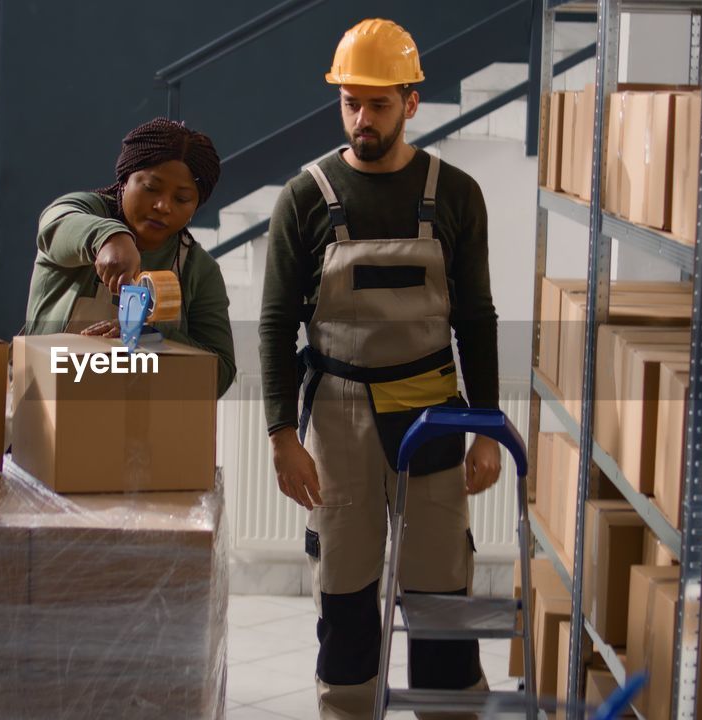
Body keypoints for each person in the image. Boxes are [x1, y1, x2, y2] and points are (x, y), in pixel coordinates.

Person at [258, 18, 502, 719]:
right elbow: (276, 324)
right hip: (339, 410)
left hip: (433, 405)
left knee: (440, 583)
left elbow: (477, 318)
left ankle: (449, 709)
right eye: (351, 103)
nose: (363, 119)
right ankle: (346, 707)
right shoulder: (303, 199)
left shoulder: (455, 194)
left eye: (379, 104)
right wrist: (281, 436)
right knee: (344, 580)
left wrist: (485, 428)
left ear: (412, 101)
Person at [23, 117, 236, 396]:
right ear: (124, 180)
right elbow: (55, 223)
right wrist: (108, 238)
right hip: (47, 415)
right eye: (150, 188)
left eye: (182, 199)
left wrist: (156, 338)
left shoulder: (197, 269)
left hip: (140, 429)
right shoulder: (85, 212)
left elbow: (219, 373)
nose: (162, 206)